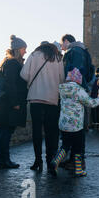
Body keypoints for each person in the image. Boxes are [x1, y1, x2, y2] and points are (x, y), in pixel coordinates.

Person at [20, 42, 65, 173]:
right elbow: (62, 79)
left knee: (37, 131)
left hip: (36, 97)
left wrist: (32, 81)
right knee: (52, 131)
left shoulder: (34, 55)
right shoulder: (57, 58)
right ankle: (51, 159)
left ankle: (38, 160)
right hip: (52, 99)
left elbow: (23, 74)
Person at [49, 68, 99, 177]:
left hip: (64, 124)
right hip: (76, 125)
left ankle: (55, 161)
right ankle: (78, 170)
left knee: (65, 146)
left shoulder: (62, 89)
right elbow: (91, 103)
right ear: (78, 80)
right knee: (78, 148)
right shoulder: (78, 90)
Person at [0, 35, 28, 169]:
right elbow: (11, 84)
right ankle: (3, 160)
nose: (25, 51)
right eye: (24, 49)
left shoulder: (9, 62)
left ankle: (1, 160)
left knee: (3, 131)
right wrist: (15, 103)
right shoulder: (12, 63)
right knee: (6, 132)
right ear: (18, 49)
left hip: (5, 103)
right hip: (9, 104)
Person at [60, 34, 95, 168]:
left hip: (74, 90)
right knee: (78, 127)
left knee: (76, 129)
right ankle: (75, 159)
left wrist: (70, 87)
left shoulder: (74, 51)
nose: (62, 47)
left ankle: (77, 161)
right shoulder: (83, 51)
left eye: (62, 43)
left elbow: (74, 71)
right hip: (81, 89)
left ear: (67, 41)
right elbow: (89, 72)